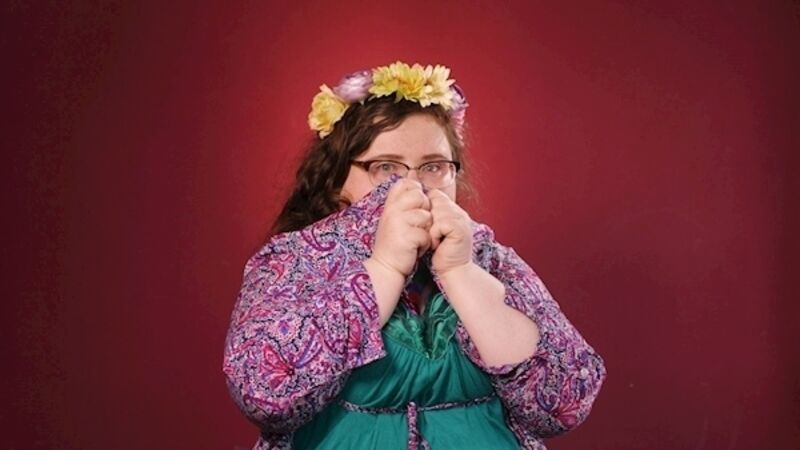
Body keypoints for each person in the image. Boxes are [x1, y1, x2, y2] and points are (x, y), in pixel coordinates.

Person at [222, 61, 607, 450]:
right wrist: (385, 268)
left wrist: (460, 272)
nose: (413, 185)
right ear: (336, 178)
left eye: (434, 166)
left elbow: (565, 404)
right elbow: (262, 393)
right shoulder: (294, 260)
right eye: (385, 166)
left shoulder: (492, 260)